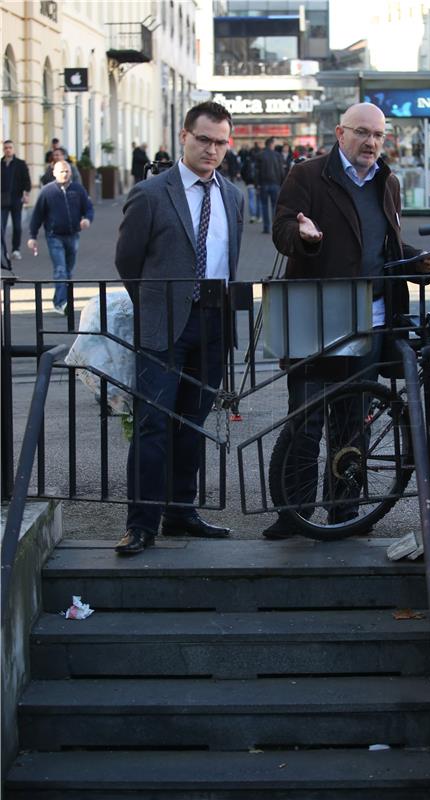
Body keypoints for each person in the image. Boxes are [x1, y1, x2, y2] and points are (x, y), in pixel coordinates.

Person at [262, 101, 430, 540]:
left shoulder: (386, 181)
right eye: (362, 132)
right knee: (306, 422)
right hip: (316, 314)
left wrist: (415, 261)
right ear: (340, 134)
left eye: (378, 135)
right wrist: (303, 235)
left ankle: (345, 512)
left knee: (353, 422)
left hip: (371, 319)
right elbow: (282, 230)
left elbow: (384, 246)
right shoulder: (307, 175)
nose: (371, 142)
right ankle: (294, 514)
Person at [114, 101, 244, 555]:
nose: (212, 150)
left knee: (192, 425)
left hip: (213, 325)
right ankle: (141, 524)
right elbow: (127, 262)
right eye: (204, 139)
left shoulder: (233, 196)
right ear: (184, 136)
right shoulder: (151, 193)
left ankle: (181, 512)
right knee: (153, 425)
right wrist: (155, 305)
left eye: (221, 142)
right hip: (164, 325)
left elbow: (229, 260)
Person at [27, 160, 94, 314]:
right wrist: (32, 236)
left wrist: (87, 219)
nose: (64, 174)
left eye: (67, 171)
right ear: (54, 173)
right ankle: (62, 303)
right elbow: (37, 215)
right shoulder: (47, 191)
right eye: (61, 171)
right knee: (60, 269)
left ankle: (60, 300)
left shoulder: (78, 189)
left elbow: (88, 208)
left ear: (70, 173)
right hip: (54, 236)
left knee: (69, 271)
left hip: (73, 235)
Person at [1, 140, 31, 261]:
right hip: (2, 200)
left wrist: (26, 194)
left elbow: (27, 180)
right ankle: (3, 251)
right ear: (3, 149)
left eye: (10, 147)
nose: (8, 150)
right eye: (6, 148)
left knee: (17, 226)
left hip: (16, 199)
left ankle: (16, 250)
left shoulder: (20, 164)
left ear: (13, 149)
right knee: (1, 227)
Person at [255, 137, 284, 234]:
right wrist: (282, 183)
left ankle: (266, 227)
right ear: (271, 144)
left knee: (264, 206)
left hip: (263, 184)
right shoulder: (278, 155)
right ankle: (275, 227)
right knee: (275, 206)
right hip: (275, 183)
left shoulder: (260, 155)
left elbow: (257, 172)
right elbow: (281, 171)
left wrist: (257, 184)